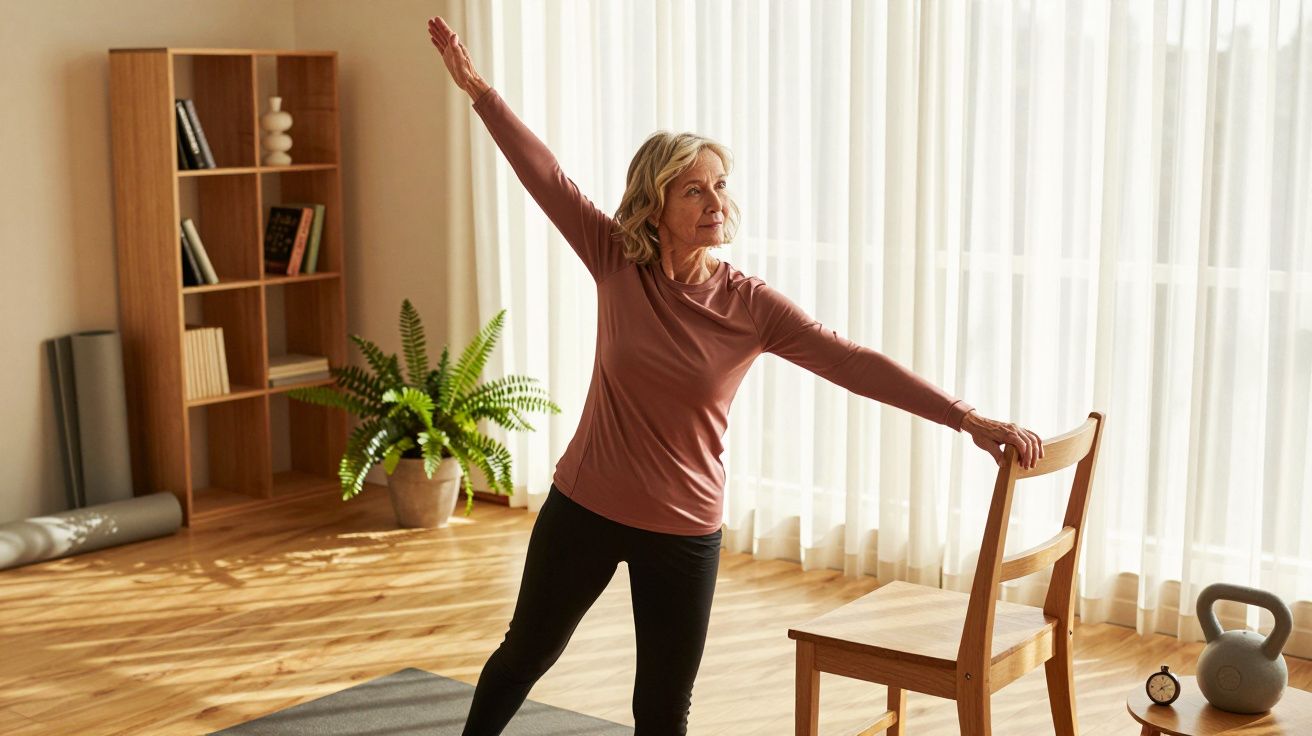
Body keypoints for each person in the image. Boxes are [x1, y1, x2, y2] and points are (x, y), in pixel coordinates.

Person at [427, 15, 1045, 736]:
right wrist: (479, 90)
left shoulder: (749, 306)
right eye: (694, 190)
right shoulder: (614, 258)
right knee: (524, 655)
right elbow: (546, 176)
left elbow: (851, 362)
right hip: (585, 505)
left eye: (719, 186)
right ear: (654, 203)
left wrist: (966, 416)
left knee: (662, 706)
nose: (716, 203)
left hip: (684, 527)